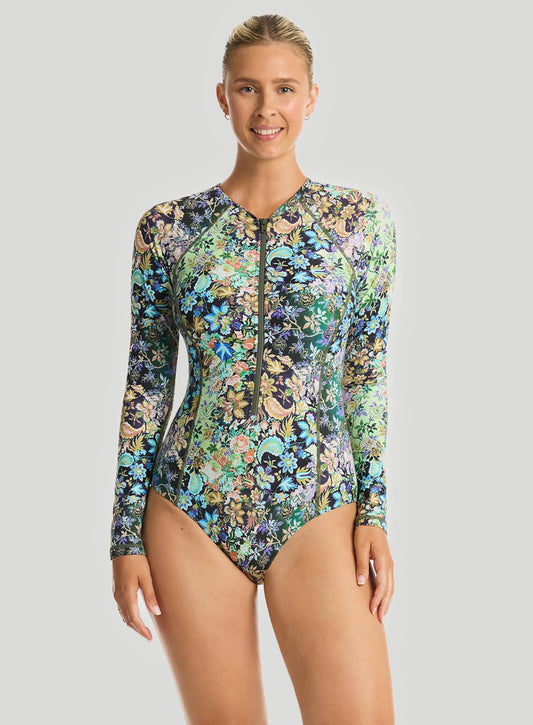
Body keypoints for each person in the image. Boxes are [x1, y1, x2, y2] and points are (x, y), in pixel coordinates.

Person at [110, 13, 397, 725]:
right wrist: (124, 538)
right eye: (247, 88)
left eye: (284, 88)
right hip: (190, 508)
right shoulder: (169, 228)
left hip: (318, 506)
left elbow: (364, 374)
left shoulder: (358, 224)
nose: (266, 108)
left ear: (312, 97)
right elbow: (147, 382)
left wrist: (375, 513)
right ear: (222, 97)